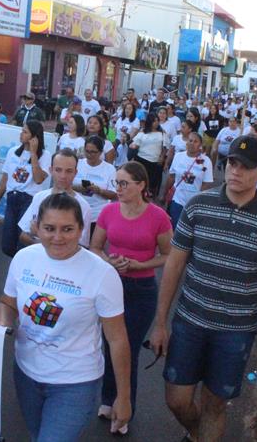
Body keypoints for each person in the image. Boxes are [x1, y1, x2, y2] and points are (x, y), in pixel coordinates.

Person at [149, 135, 257, 442]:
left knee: (215, 405)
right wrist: (160, 323)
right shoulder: (198, 205)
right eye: (231, 163)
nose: (235, 171)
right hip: (189, 322)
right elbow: (174, 266)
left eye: (245, 166)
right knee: (177, 399)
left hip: (236, 332)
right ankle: (196, 433)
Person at [0, 193, 132, 440]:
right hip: (26, 373)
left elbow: (118, 339)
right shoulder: (24, 258)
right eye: (49, 228)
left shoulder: (102, 273)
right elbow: (7, 302)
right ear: (37, 226)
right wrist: (4, 323)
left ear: (81, 228)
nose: (57, 237)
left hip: (75, 382)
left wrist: (122, 397)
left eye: (67, 229)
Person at [89, 161, 172, 434]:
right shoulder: (110, 211)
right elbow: (96, 246)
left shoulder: (158, 217)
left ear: (141, 185)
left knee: (129, 349)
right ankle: (107, 397)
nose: (119, 188)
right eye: (116, 183)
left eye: (124, 183)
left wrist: (140, 265)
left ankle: (125, 408)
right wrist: (109, 263)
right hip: (111, 286)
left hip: (141, 291)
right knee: (109, 344)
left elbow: (168, 255)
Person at [0, 120, 51, 257]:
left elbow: (38, 179)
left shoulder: (45, 155)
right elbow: (4, 179)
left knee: (23, 241)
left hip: (28, 200)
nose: (21, 134)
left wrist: (34, 154)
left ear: (34, 137)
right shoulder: (13, 152)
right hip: (12, 198)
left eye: (25, 132)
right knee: (7, 244)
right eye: (22, 130)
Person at [18, 148, 92, 248]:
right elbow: (23, 235)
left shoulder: (84, 207)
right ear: (51, 170)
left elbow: (82, 247)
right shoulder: (39, 197)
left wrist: (40, 235)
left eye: (69, 171)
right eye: (58, 170)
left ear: (75, 172)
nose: (63, 176)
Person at [165, 132, 215, 228]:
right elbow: (171, 177)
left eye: (195, 141)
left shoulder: (206, 161)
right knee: (174, 227)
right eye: (190, 140)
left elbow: (206, 183)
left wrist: (197, 199)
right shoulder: (178, 156)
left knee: (188, 229)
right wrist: (164, 194)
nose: (192, 143)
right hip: (177, 199)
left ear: (200, 145)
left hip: (193, 202)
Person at [73, 136, 117, 236]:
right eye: (87, 151)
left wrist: (99, 191)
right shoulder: (77, 164)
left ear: (101, 152)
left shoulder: (109, 169)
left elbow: (114, 194)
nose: (89, 155)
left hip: (98, 214)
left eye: (93, 152)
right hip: (75, 211)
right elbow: (65, 184)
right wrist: (77, 188)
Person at [129, 112, 168, 199]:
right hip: (141, 159)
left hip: (154, 161)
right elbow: (135, 144)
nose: (156, 122)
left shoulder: (162, 133)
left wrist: (162, 157)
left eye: (157, 121)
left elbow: (165, 147)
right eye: (154, 121)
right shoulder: (143, 132)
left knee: (151, 181)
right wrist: (132, 146)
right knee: (140, 179)